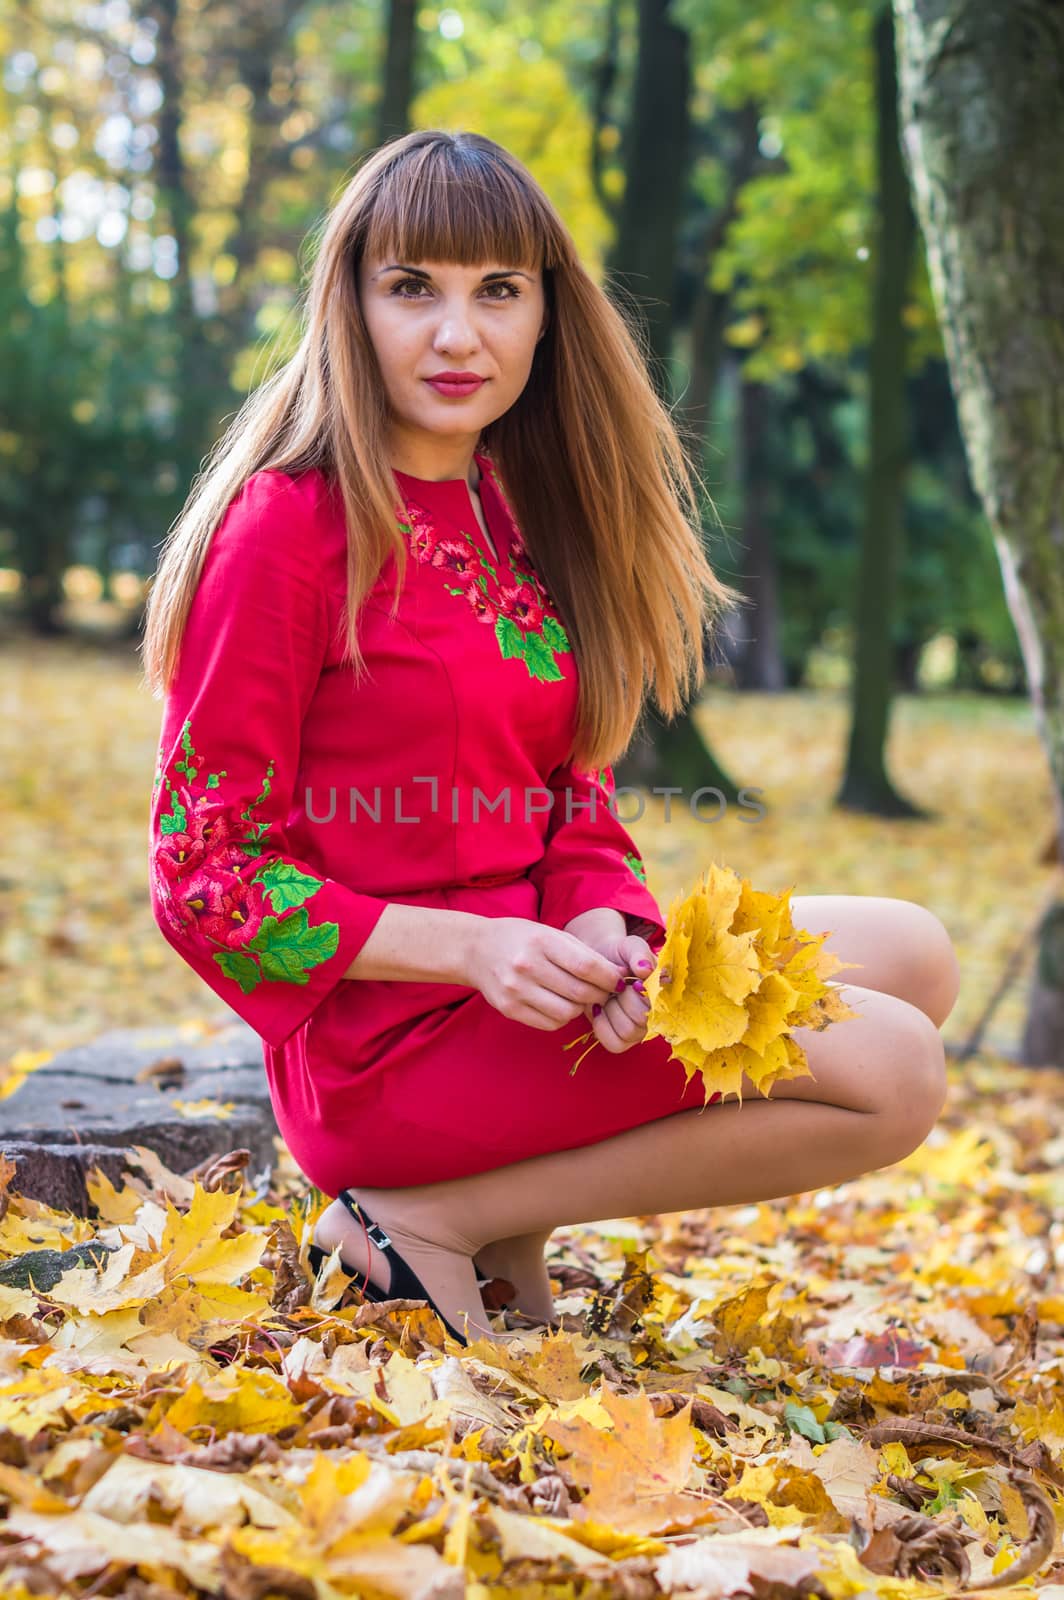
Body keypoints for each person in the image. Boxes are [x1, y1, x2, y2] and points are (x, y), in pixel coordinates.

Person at [141, 129, 959, 1346]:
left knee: (916, 952)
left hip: (536, 982)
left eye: (496, 292)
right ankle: (428, 1217)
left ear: (542, 315)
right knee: (892, 1073)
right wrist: (473, 950)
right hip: (387, 1045)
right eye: (411, 287)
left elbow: (569, 789)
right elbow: (205, 878)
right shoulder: (288, 529)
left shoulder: (507, 511)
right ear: (350, 305)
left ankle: (492, 1218)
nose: (455, 335)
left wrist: (601, 924)